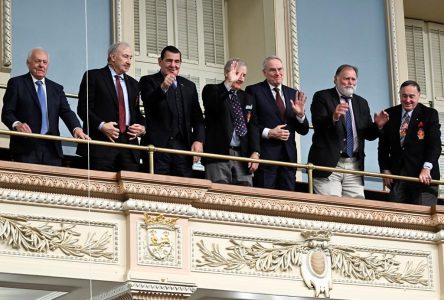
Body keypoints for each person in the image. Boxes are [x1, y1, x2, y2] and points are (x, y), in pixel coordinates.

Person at [308, 64, 389, 198]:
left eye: (353, 79)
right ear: (336, 79)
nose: (350, 82)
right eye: (346, 78)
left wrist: (378, 126)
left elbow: (367, 135)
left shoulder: (362, 103)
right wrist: (333, 117)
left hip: (354, 166)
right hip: (330, 165)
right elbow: (318, 125)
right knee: (332, 209)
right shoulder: (322, 97)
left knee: (356, 212)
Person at [1, 48, 89, 166]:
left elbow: (66, 112)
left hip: (52, 149)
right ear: (28, 63)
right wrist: (17, 124)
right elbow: (7, 113)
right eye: (37, 61)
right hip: (26, 147)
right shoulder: (16, 83)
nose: (41, 65)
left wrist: (76, 128)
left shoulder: (57, 89)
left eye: (45, 62)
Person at [76, 42, 146, 172]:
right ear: (112, 57)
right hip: (101, 145)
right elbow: (83, 108)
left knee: (132, 190)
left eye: (131, 58)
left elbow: (135, 114)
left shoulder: (134, 84)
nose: (129, 61)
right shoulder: (93, 76)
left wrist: (142, 127)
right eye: (125, 56)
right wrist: (101, 125)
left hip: (129, 148)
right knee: (100, 190)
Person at [139, 45, 204, 177]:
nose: (173, 65)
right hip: (157, 147)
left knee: (183, 190)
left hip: (183, 148)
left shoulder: (189, 86)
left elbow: (197, 118)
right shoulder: (148, 80)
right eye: (169, 60)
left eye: (177, 61)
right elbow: (149, 103)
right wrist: (163, 87)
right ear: (160, 61)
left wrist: (198, 140)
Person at [245, 56, 309, 191]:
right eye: (272, 70)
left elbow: (303, 130)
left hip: (288, 158)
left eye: (280, 69)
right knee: (266, 200)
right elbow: (251, 124)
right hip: (266, 157)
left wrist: (300, 115)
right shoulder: (254, 91)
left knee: (287, 201)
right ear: (264, 73)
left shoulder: (293, 93)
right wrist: (269, 133)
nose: (277, 73)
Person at [378, 80, 441, 205]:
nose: (407, 100)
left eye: (411, 96)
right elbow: (383, 147)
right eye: (404, 96)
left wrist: (426, 168)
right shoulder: (390, 114)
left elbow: (434, 146)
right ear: (400, 95)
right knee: (397, 217)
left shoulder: (429, 114)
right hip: (398, 176)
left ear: (418, 95)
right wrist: (385, 169)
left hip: (423, 176)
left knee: (423, 217)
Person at [202, 58, 260, 186]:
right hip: (219, 155)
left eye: (244, 75)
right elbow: (213, 106)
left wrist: (255, 153)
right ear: (226, 73)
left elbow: (253, 127)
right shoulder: (211, 90)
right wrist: (228, 83)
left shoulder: (247, 97)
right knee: (219, 196)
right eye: (238, 74)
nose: (241, 79)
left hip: (242, 156)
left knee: (244, 198)